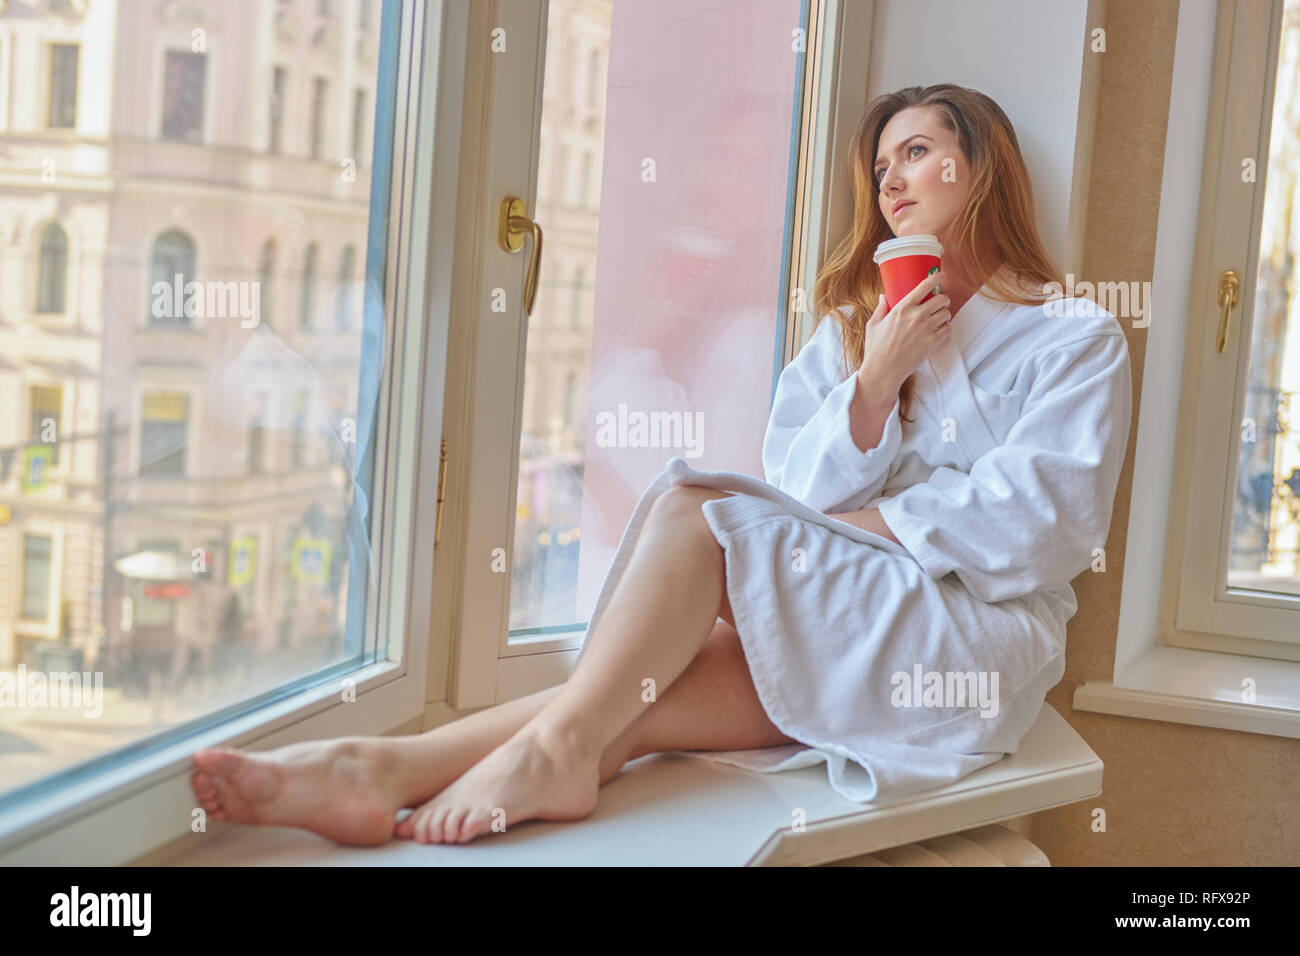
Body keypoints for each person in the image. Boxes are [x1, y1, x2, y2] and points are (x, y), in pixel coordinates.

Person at [189, 83, 1132, 847]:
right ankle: (375, 770)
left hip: (973, 643)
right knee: (632, 704)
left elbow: (1044, 525)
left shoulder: (1072, 336)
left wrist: (850, 532)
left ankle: (515, 757)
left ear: (987, 168)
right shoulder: (853, 337)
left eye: (921, 151)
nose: (893, 178)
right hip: (857, 614)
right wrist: (876, 386)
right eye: (883, 163)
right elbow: (797, 491)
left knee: (694, 510)